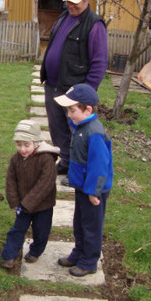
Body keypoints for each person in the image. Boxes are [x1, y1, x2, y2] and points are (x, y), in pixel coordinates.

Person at [40, 0, 109, 176]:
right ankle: (66, 162)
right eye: (68, 1)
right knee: (58, 129)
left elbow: (99, 62)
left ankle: (79, 171)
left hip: (74, 90)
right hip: (53, 85)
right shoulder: (64, 17)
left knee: (77, 132)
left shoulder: (94, 25)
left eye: (76, 2)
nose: (71, 5)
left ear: (87, 0)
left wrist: (86, 93)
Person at [53, 84, 113, 277]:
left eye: (72, 110)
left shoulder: (94, 133)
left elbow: (99, 166)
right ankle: (79, 252)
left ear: (88, 109)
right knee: (79, 223)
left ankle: (89, 261)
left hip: (93, 191)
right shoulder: (82, 126)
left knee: (91, 226)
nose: (69, 115)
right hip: (82, 187)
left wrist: (94, 192)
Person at [0, 120, 60, 269]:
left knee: (41, 231)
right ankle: (9, 256)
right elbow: (11, 181)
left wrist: (27, 203)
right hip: (22, 206)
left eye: (27, 145)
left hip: (43, 206)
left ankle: (36, 251)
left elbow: (45, 184)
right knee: (17, 230)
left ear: (37, 142)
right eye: (19, 145)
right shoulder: (15, 160)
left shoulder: (46, 159)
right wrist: (14, 202)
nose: (22, 149)